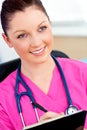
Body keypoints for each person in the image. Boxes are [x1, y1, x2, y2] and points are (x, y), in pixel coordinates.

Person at [0, 0, 87, 130]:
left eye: (42, 28)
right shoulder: (3, 99)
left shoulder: (83, 73)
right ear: (7, 40)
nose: (36, 42)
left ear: (50, 24)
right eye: (22, 35)